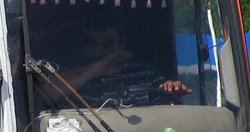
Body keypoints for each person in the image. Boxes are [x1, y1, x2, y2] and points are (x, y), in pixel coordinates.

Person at [52, 21, 191, 107]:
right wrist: (97, 68)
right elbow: (46, 94)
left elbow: (164, 116)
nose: (99, 52)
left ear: (122, 41)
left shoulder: (145, 74)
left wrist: (170, 95)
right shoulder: (71, 74)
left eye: (106, 45)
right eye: (91, 45)